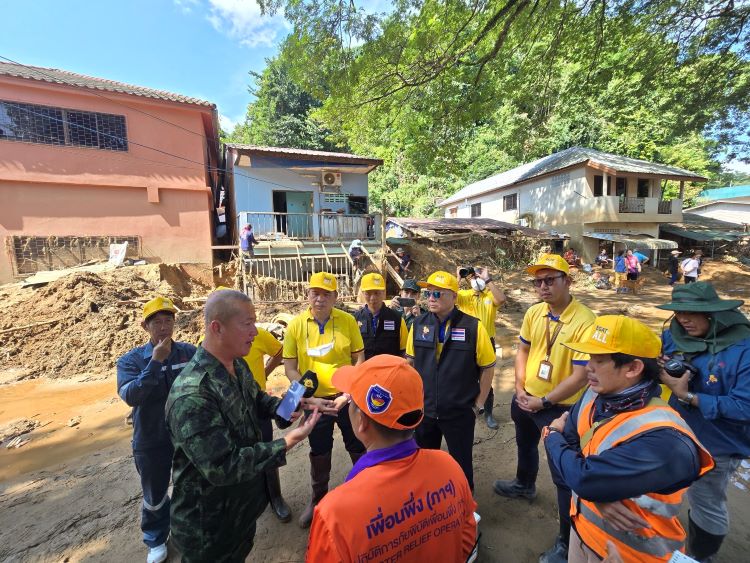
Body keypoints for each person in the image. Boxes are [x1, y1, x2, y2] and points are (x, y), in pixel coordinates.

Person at [165, 289, 334, 562]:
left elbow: (256, 399)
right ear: (216, 328)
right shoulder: (192, 395)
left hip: (240, 511)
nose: (255, 332)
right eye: (247, 323)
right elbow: (223, 467)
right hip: (208, 528)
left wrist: (297, 403)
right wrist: (290, 440)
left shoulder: (236, 364)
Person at [544, 315, 714, 563]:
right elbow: (574, 460)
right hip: (582, 532)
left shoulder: (665, 439)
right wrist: (595, 493)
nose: (588, 367)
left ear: (633, 368)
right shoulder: (594, 396)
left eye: (599, 360)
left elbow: (583, 477)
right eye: (589, 357)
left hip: (632, 555)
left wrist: (551, 436)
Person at [306, 354, 479, 562]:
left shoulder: (333, 514)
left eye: (351, 399)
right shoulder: (449, 466)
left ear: (362, 422)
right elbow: (467, 539)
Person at [493, 253, 595, 563]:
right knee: (525, 444)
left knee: (563, 473)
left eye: (550, 280)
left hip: (560, 409)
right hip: (526, 399)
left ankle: (567, 541)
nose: (543, 287)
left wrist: (545, 401)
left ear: (568, 281)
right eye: (538, 282)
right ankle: (525, 484)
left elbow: (581, 375)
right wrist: (520, 388)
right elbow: (522, 350)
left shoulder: (584, 320)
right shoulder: (534, 313)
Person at [657, 282, 750, 562]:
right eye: (678, 312)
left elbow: (744, 406)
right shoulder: (673, 335)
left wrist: (687, 395)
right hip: (675, 431)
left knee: (706, 502)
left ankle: (700, 556)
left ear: (714, 313)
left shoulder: (743, 350)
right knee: (661, 487)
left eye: (692, 312)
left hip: (717, 444)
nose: (683, 319)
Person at [283, 272, 367, 528]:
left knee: (357, 444)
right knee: (319, 449)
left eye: (326, 294)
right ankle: (318, 497)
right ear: (308, 295)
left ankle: (362, 495)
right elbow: (289, 367)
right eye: (314, 293)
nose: (319, 299)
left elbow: (359, 360)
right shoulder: (296, 325)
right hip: (314, 402)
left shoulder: (348, 321)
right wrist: (308, 399)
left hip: (346, 398)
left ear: (335, 297)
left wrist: (349, 394)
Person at [116, 296, 197, 563]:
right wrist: (154, 363)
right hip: (151, 438)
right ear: (145, 326)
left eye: (168, 321)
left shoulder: (188, 352)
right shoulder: (131, 361)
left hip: (186, 435)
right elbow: (130, 396)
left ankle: (187, 532)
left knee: (191, 485)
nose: (164, 327)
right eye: (157, 322)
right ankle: (156, 539)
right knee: (155, 493)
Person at [405, 270, 496, 491]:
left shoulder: (473, 327)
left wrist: (479, 404)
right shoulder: (418, 325)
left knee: (461, 466)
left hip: (459, 412)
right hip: (425, 412)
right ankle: (431, 512)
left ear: (454, 297)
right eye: (429, 293)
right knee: (425, 465)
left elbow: (488, 367)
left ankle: (465, 514)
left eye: (438, 294)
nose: (431, 298)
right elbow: (409, 363)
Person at [456, 266, 507, 429]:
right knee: (463, 378)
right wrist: (457, 277)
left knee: (486, 378)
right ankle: (467, 409)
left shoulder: (490, 296)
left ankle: (489, 413)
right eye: (470, 277)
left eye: (476, 276)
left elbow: (501, 300)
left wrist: (487, 279)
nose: (474, 279)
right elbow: (450, 296)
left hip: (487, 342)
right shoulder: (464, 296)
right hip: (466, 343)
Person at [355, 272, 408, 359]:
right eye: (368, 293)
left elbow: (404, 352)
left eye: (376, 293)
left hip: (390, 371)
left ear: (384, 292)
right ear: (362, 293)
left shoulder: (397, 319)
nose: (372, 298)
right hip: (364, 371)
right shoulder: (354, 319)